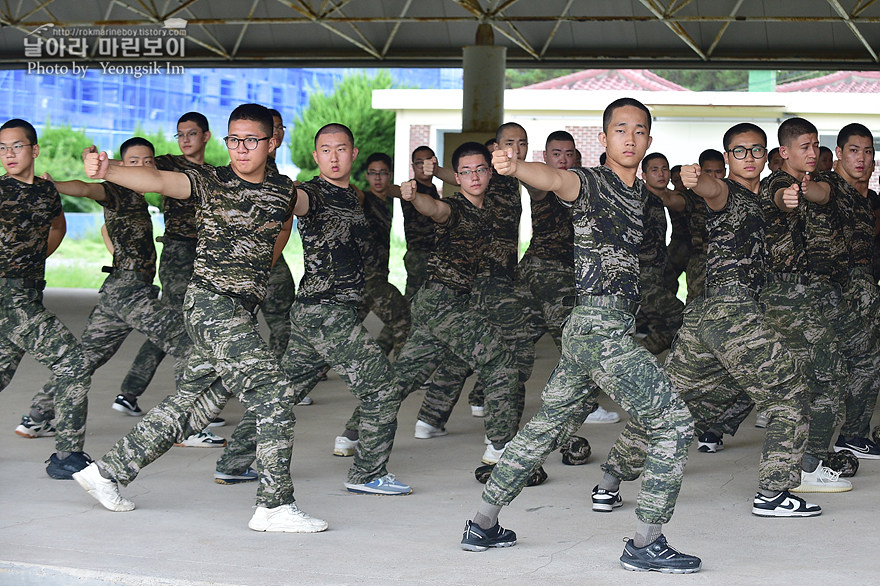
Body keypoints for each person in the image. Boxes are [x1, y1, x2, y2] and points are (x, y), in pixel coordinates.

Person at [461, 98, 700, 575]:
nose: (630, 138)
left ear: (649, 141)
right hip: (601, 331)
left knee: (548, 425)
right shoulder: (590, 183)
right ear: (604, 138)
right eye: (620, 130)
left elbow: (680, 200)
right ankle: (646, 542)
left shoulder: (640, 193)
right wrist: (515, 166)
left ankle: (482, 523)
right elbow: (555, 179)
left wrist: (693, 182)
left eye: (639, 130)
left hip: (588, 330)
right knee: (674, 424)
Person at [72, 103, 329, 533]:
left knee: (194, 405)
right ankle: (273, 506)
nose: (241, 149)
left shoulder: (283, 190)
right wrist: (109, 169)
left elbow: (298, 213)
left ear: (271, 142)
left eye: (251, 140)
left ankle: (106, 472)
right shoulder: (209, 181)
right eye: (234, 140)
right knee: (273, 391)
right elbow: (157, 179)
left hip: (240, 312)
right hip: (211, 306)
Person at [219, 124, 414, 496]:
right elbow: (292, 200)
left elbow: (380, 192)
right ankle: (368, 473)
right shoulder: (312, 193)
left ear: (353, 153)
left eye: (341, 149)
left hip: (317, 312)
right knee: (383, 388)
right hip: (327, 313)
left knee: (283, 391)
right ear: (316, 156)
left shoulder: (352, 196)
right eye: (326, 150)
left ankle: (233, 462)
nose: (334, 156)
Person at [21, 137, 214, 460]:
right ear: (120, 165)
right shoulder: (117, 191)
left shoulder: (139, 198)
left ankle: (36, 416)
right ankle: (189, 427)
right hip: (129, 292)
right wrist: (55, 185)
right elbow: (87, 188)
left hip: (116, 291)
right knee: (186, 343)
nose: (142, 166)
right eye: (134, 161)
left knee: (83, 360)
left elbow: (107, 232)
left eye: (148, 161)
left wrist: (121, 256)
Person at [670, 123, 818, 517]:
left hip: (716, 313)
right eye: (739, 151)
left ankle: (611, 480)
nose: (749, 157)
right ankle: (772, 494)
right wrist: (695, 179)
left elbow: (784, 197)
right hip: (731, 312)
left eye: (756, 150)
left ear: (767, 154)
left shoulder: (766, 193)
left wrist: (789, 198)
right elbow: (710, 190)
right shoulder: (725, 192)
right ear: (727, 158)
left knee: (674, 404)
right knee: (790, 392)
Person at [386, 141, 522, 466]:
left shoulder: (489, 207)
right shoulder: (454, 207)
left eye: (480, 170)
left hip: (438, 302)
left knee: (403, 377)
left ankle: (351, 435)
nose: (474, 177)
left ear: (489, 173)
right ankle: (500, 447)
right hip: (443, 302)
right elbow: (434, 208)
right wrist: (414, 195)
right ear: (456, 178)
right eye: (465, 172)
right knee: (500, 362)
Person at [412, 125, 537, 454]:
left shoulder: (515, 175)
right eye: (509, 143)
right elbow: (460, 182)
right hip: (486, 281)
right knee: (515, 354)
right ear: (496, 147)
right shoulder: (488, 175)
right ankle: (501, 433)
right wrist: (434, 174)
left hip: (496, 279)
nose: (516, 149)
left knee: (461, 354)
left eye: (522, 143)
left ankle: (430, 417)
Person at [115, 112, 227, 440]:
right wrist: (103, 162)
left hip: (206, 255)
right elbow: (131, 165)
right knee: (182, 329)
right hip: (178, 252)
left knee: (172, 328)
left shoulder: (215, 173)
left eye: (192, 134)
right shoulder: (166, 164)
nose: (185, 140)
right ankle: (189, 413)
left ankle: (129, 392)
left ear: (206, 136)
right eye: (180, 134)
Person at [759, 117, 853, 493]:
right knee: (830, 376)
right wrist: (791, 196)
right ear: (784, 152)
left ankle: (801, 463)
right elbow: (783, 198)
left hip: (801, 294)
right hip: (784, 298)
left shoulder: (812, 183)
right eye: (805, 147)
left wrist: (808, 190)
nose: (813, 152)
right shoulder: (777, 185)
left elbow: (822, 195)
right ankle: (807, 466)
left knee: (806, 379)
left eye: (816, 146)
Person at [1, 118, 92, 479]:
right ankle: (66, 456)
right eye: (3, 147)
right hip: (8, 296)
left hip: (29, 291)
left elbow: (57, 227)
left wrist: (34, 260)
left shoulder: (46, 191)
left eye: (17, 146)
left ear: (34, 150)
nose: (9, 154)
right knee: (74, 364)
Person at [820, 123, 880, 459]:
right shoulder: (827, 186)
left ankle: (855, 435)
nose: (862, 158)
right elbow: (815, 193)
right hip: (831, 290)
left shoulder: (865, 198)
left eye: (868, 151)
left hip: (860, 287)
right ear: (839, 154)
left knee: (867, 360)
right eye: (854, 151)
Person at [637, 153, 685, 354]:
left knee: (662, 330)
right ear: (644, 175)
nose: (661, 173)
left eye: (664, 168)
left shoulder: (661, 199)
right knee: (680, 316)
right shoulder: (638, 199)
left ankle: (636, 362)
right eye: (654, 170)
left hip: (659, 272)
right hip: (641, 276)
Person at [663, 165, 692, 295]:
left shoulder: (695, 195)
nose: (680, 183)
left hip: (695, 245)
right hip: (677, 243)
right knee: (667, 281)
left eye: (682, 180)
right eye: (676, 180)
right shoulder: (670, 195)